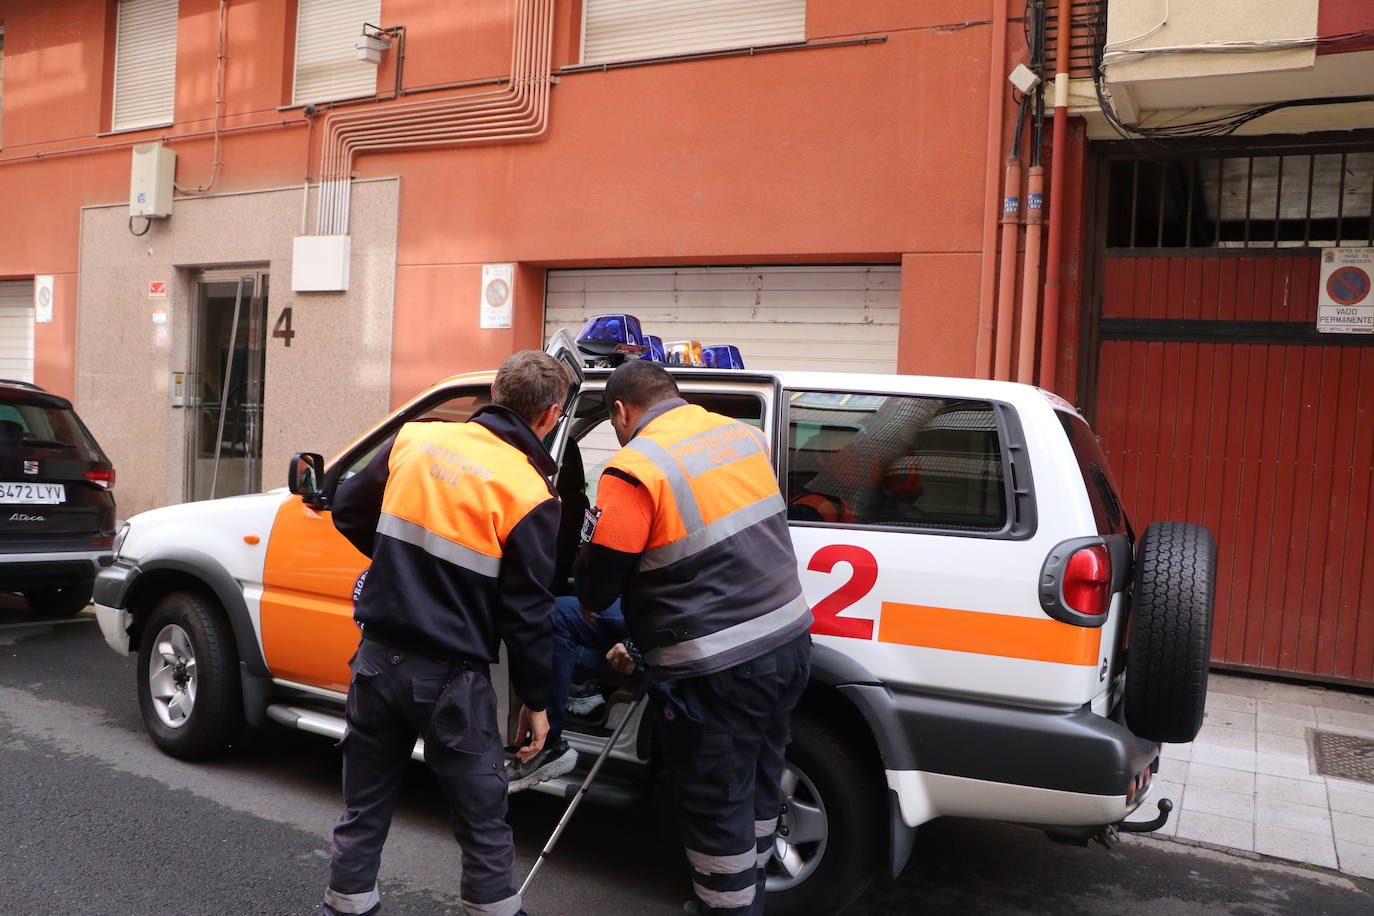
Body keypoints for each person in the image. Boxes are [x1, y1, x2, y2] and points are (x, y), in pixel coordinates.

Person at [322, 350, 571, 916]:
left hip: (376, 661)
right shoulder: (529, 491)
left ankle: (346, 906)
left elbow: (347, 507)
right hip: (449, 680)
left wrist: (399, 568)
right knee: (482, 821)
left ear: (496, 394)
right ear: (551, 415)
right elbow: (528, 611)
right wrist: (536, 702)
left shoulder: (416, 439)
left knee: (363, 811)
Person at [575, 360, 813, 915]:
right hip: (788, 642)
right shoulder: (743, 436)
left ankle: (727, 907)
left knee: (716, 808)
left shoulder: (636, 466)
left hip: (718, 667)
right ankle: (747, 893)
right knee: (757, 781)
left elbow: (599, 580)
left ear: (619, 411)